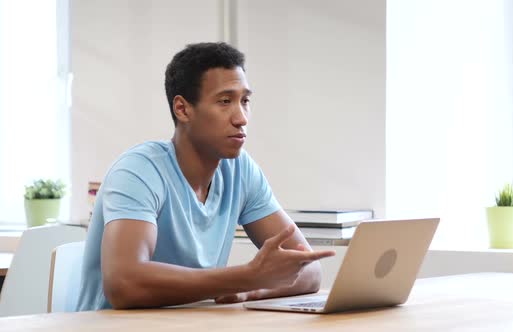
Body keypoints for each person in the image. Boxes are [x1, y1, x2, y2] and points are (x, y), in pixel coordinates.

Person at [76, 42, 335, 311]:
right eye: (225, 101)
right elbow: (124, 284)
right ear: (182, 109)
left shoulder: (240, 170)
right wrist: (243, 277)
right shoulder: (138, 171)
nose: (241, 118)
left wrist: (251, 289)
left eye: (245, 101)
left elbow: (309, 270)